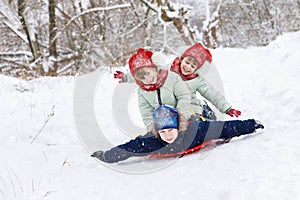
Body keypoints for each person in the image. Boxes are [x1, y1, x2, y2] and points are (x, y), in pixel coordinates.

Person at [91, 104, 264, 163]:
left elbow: (225, 127)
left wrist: (251, 125)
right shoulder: (153, 141)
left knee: (206, 121)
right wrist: (106, 155)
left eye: (170, 130)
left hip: (197, 121)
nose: (167, 135)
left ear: (178, 128)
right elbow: (128, 149)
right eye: (163, 132)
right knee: (139, 141)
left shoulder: (194, 132)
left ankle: (203, 109)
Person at [114, 43, 241, 120]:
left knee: (192, 115)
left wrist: (227, 108)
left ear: (197, 69)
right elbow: (148, 74)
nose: (188, 67)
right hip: (172, 110)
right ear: (182, 59)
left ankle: (205, 119)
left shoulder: (197, 80)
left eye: (193, 66)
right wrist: (126, 77)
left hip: (190, 106)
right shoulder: (168, 70)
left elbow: (211, 94)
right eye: (187, 62)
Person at [123, 48, 192, 131]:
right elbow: (146, 112)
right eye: (142, 78)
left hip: (184, 116)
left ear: (154, 68)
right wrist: (153, 128)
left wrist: (181, 118)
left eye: (148, 73)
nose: (147, 79)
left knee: (193, 130)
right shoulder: (142, 91)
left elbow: (184, 97)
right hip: (164, 126)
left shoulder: (172, 78)